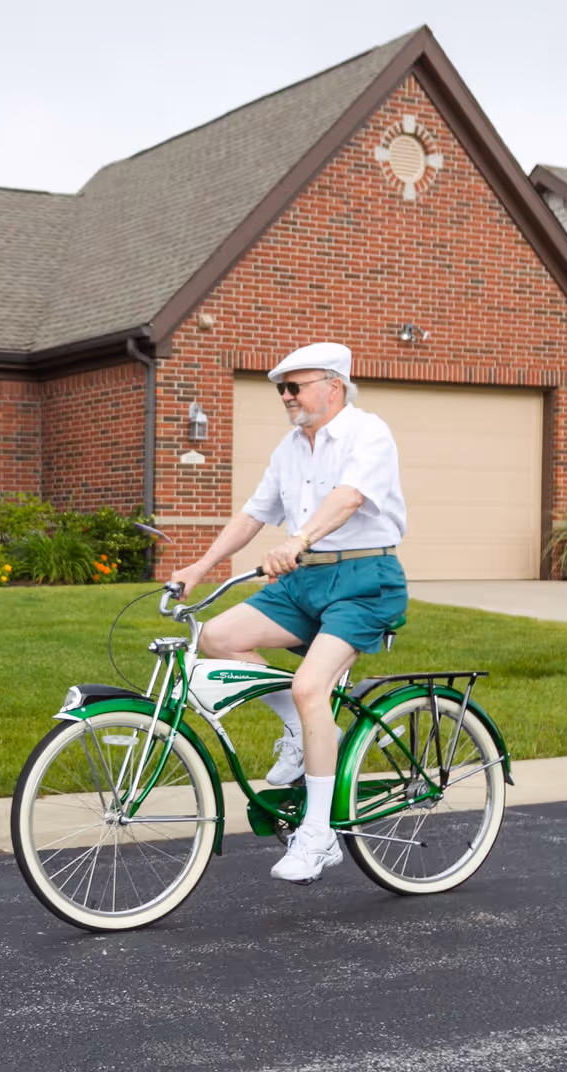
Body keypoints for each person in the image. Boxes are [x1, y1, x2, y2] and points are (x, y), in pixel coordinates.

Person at [167, 341, 408, 884]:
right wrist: (199, 566)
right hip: (304, 579)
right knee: (218, 636)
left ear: (333, 387)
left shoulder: (368, 432)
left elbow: (348, 498)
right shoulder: (291, 447)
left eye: (295, 386)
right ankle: (303, 732)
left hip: (364, 580)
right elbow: (254, 513)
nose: (286, 395)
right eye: (281, 388)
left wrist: (298, 538)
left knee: (309, 687)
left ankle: (319, 836)